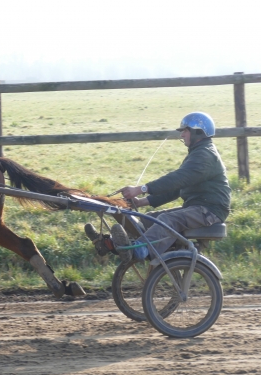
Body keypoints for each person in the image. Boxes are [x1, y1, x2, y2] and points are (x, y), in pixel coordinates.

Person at [86, 111, 231, 262]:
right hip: (198, 208)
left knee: (167, 219)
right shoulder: (198, 153)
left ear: (198, 131)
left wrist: (141, 189)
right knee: (148, 220)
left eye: (185, 131)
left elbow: (177, 179)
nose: (182, 135)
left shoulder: (204, 155)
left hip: (210, 210)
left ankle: (140, 250)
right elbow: (177, 189)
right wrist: (143, 201)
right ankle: (111, 244)